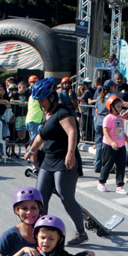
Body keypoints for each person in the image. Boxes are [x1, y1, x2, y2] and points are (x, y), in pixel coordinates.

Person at [24, 77, 88, 245]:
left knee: (65, 195)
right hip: (49, 160)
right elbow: (41, 136)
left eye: (42, 100)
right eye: (38, 101)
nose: (40, 104)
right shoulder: (48, 115)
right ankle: (41, 232)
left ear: (51, 97)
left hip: (64, 159)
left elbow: (72, 132)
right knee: (41, 196)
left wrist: (70, 153)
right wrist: (31, 150)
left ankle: (81, 232)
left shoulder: (62, 112)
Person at [97, 95, 128, 193]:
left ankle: (120, 186)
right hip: (109, 145)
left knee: (121, 166)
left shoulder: (120, 119)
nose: (120, 108)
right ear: (111, 107)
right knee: (107, 165)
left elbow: (122, 132)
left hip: (121, 146)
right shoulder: (108, 118)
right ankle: (101, 182)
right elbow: (106, 132)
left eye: (121, 106)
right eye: (118, 106)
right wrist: (112, 142)